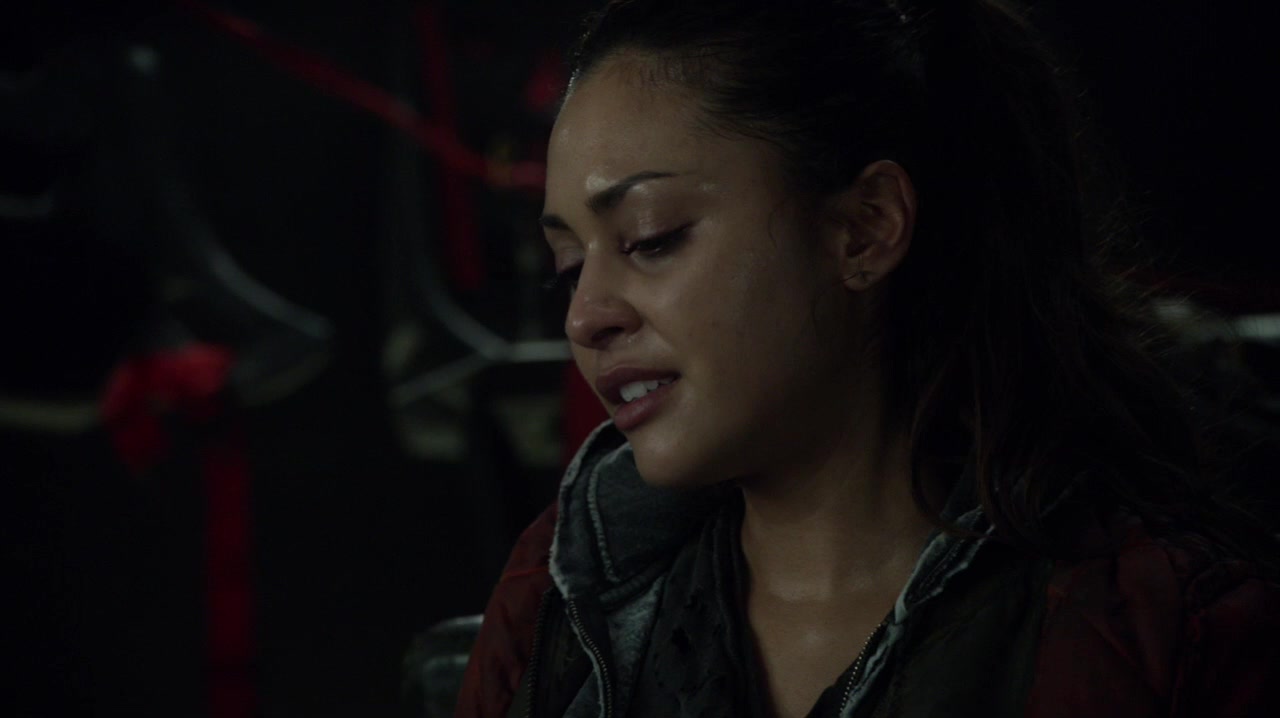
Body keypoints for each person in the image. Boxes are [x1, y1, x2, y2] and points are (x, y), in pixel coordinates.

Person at [455, 1, 1280, 716]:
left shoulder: (1167, 634)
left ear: (865, 227)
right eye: (570, 264)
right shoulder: (557, 596)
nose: (586, 316)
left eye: (650, 238)